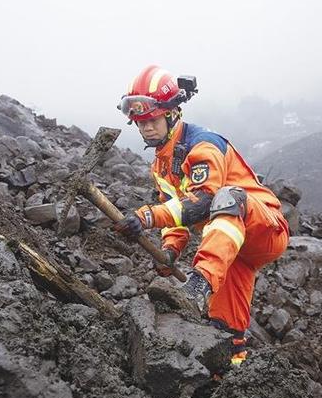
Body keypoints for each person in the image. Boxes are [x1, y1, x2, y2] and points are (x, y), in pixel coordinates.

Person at [113, 65, 289, 367]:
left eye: (152, 120)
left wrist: (146, 218)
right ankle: (230, 376)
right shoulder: (162, 164)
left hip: (263, 228)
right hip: (233, 252)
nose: (146, 129)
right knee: (223, 330)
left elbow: (203, 202)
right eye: (140, 124)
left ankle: (199, 284)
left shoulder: (203, 144)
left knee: (227, 198)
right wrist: (169, 250)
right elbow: (176, 209)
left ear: (172, 113)